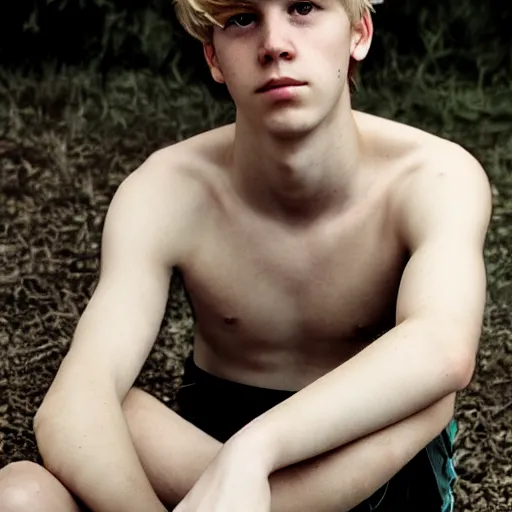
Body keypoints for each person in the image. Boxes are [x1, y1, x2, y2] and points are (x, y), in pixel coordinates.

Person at [0, 0, 492, 510]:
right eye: (241, 18)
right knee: (23, 491)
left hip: (368, 465)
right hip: (206, 466)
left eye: (303, 8)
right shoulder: (166, 189)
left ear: (358, 33)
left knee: (425, 392)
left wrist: (254, 451)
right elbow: (69, 406)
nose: (274, 43)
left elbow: (443, 348)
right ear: (213, 58)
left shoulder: (435, 176)